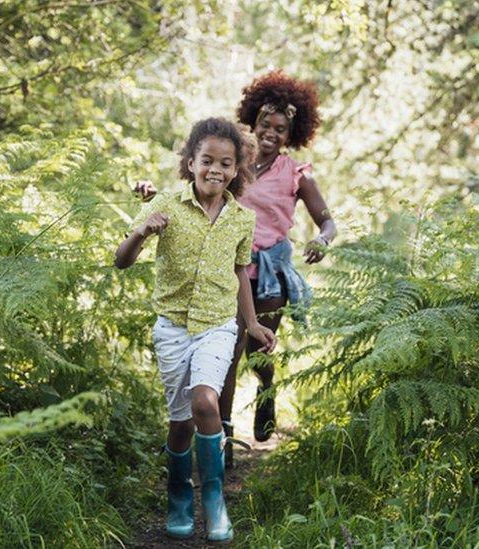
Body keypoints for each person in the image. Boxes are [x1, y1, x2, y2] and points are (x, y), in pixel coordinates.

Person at [135, 72, 336, 467]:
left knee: (257, 351)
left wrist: (322, 240)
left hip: (270, 276)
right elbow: (192, 188)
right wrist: (153, 197)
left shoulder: (298, 173)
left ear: (291, 133)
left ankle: (266, 391)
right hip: (226, 271)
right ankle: (222, 437)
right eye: (265, 125)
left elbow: (327, 221)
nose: (271, 134)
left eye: (281, 129)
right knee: (227, 353)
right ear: (253, 123)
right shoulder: (232, 161)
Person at [115, 117, 276, 542]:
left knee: (206, 401)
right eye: (207, 161)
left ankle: (214, 500)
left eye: (226, 164)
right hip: (172, 328)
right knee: (181, 423)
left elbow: (241, 273)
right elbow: (122, 259)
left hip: (218, 326)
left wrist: (253, 322)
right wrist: (142, 233)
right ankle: (178, 497)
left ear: (236, 170)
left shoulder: (242, 218)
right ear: (191, 162)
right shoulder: (164, 205)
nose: (215, 171)